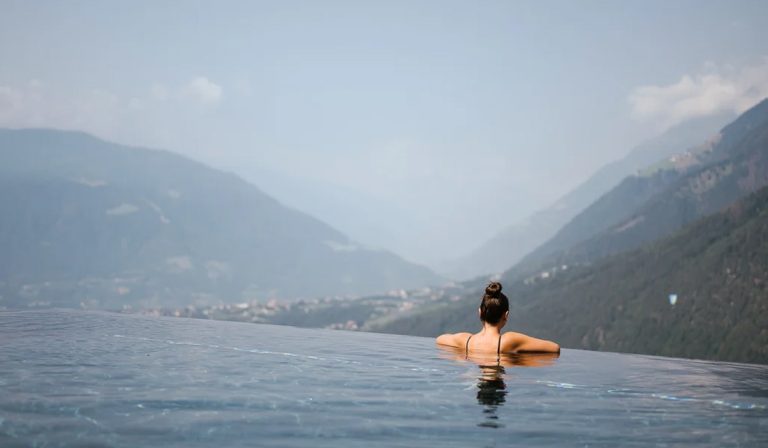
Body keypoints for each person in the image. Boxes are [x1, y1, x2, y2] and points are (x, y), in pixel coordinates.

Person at [436, 282, 560, 355]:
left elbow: (439, 339)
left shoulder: (465, 340)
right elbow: (555, 348)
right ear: (506, 315)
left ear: (480, 313)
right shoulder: (509, 341)